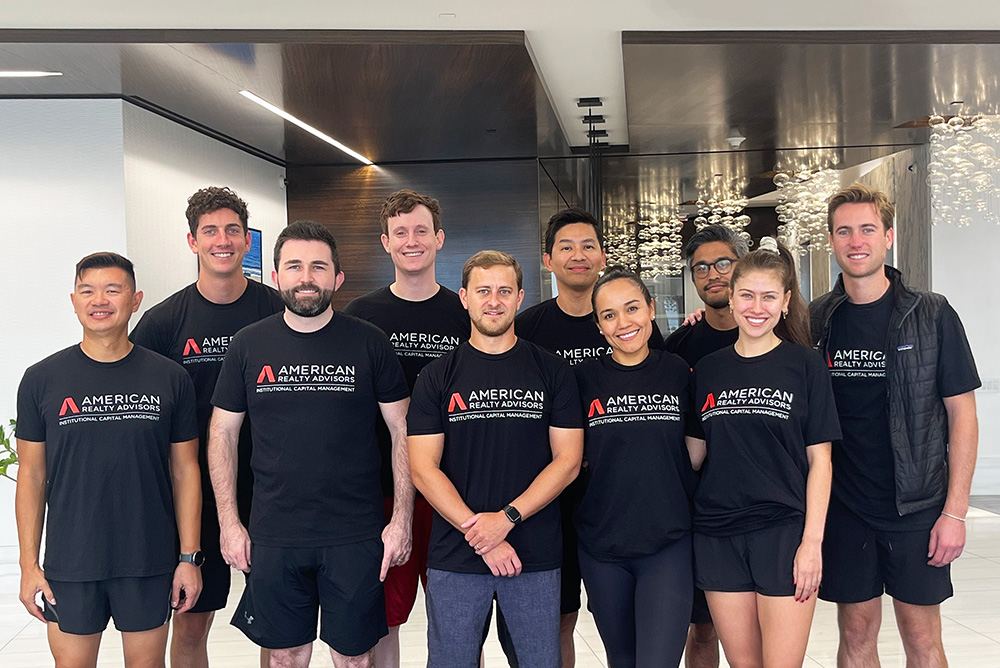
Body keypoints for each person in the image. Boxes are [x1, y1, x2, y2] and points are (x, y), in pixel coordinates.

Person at [208, 221, 411, 668]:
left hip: (355, 532)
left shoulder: (369, 342)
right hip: (275, 532)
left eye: (318, 267)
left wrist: (401, 520)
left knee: (354, 657)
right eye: (294, 266)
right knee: (284, 655)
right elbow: (223, 433)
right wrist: (229, 522)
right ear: (276, 276)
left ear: (337, 278)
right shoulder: (248, 345)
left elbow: (402, 431)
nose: (306, 277)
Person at [810, 184, 980, 668]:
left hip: (917, 505)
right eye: (844, 231)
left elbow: (962, 414)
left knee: (921, 635)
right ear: (832, 241)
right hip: (845, 506)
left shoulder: (931, 313)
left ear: (888, 237)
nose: (855, 240)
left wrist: (955, 512)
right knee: (856, 633)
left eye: (867, 229)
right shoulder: (818, 319)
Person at [16, 252, 202, 668]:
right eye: (88, 290)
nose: (100, 299)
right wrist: (29, 565)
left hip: (148, 558)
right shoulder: (41, 379)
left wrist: (189, 558)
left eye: (112, 290)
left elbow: (185, 470)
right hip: (71, 562)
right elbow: (31, 475)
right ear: (73, 299)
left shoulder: (170, 377)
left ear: (135, 300)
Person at [130, 186, 283, 668]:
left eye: (233, 230)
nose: (223, 240)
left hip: (272, 489)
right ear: (192, 241)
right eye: (210, 231)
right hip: (195, 494)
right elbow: (138, 404)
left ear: (246, 241)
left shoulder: (278, 311)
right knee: (192, 623)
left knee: (276, 627)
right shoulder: (162, 323)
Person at [408, 250, 584, 668]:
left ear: (520, 297)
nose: (494, 300)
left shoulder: (552, 371)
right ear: (464, 298)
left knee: (539, 662)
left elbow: (568, 461)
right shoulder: (437, 376)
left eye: (504, 291)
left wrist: (505, 519)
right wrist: (480, 534)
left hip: (534, 552)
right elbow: (422, 468)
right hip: (456, 555)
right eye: (483, 291)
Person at [515, 207, 663, 668]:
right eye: (566, 247)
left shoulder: (636, 326)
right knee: (557, 618)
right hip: (551, 500)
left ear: (602, 255)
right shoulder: (529, 328)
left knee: (629, 625)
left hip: (619, 501)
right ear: (547, 259)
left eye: (588, 246)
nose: (578, 256)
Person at [686, 238, 839, 668]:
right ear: (731, 300)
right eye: (747, 295)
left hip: (783, 533)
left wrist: (813, 542)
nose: (757, 307)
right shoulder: (710, 369)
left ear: (786, 301)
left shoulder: (806, 365)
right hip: (717, 534)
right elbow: (692, 456)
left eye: (769, 296)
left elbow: (820, 461)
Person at [344, 189, 470, 668]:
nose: (411, 241)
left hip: (456, 489)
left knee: (458, 620)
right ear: (385, 242)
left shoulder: (466, 312)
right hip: (381, 491)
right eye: (401, 233)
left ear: (439, 239)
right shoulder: (359, 316)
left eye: (421, 231)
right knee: (385, 618)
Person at [573, 267, 698, 668]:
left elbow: (695, 451)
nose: (623, 323)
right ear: (598, 325)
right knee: (622, 662)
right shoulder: (582, 380)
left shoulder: (678, 372)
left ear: (650, 308)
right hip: (602, 546)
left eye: (632, 309)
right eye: (609, 315)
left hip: (668, 543)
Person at [663, 224, 748, 668]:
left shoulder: (778, 337)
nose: (712, 275)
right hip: (698, 506)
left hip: (766, 504)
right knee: (703, 625)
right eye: (701, 268)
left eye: (723, 263)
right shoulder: (678, 347)